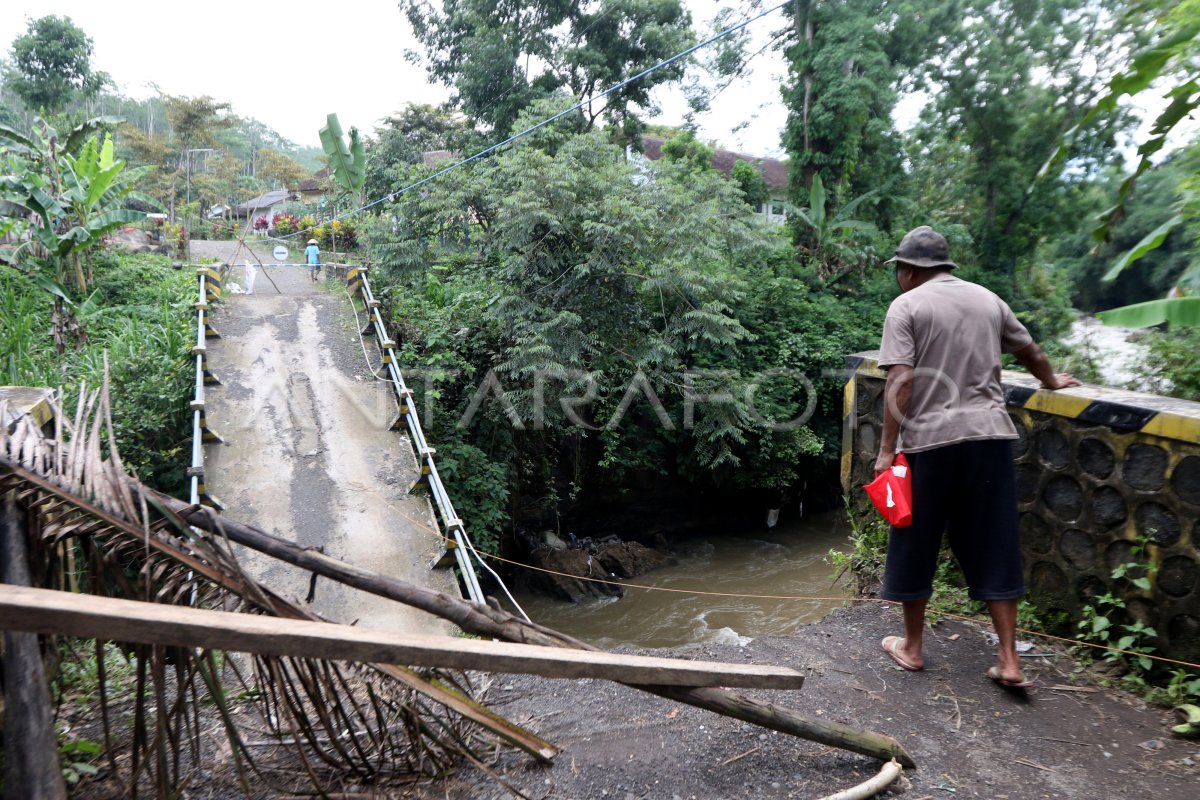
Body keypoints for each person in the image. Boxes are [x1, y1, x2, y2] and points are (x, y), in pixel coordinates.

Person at [873, 226, 1080, 689]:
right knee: (995, 542)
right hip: (988, 439)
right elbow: (1031, 351)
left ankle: (911, 647)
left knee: (916, 539)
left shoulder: (906, 306)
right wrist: (1050, 382)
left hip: (929, 444)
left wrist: (887, 450)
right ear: (945, 266)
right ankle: (1008, 659)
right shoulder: (989, 300)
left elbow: (901, 382)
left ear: (908, 270)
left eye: (899, 270)